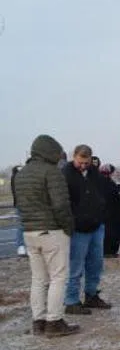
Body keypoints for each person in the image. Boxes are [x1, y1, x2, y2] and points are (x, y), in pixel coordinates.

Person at [15, 135, 80, 337]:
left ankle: (39, 321)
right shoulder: (52, 172)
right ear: (50, 152)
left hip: (29, 232)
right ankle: (54, 321)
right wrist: (69, 227)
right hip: (52, 231)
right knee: (59, 277)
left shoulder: (21, 174)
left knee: (38, 279)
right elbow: (61, 205)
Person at [62, 145, 112, 315]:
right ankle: (71, 300)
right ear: (73, 157)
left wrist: (101, 210)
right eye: (80, 162)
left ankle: (91, 295)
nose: (83, 166)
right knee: (76, 266)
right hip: (78, 229)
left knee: (95, 264)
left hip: (96, 225)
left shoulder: (94, 172)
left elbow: (100, 193)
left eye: (86, 162)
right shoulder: (66, 174)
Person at [100, 164, 120, 259]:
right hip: (113, 214)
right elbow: (115, 196)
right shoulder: (109, 183)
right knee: (112, 232)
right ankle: (110, 251)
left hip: (106, 213)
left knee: (107, 232)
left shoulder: (100, 182)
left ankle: (107, 251)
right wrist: (119, 188)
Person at [11, 165, 27, 257]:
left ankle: (21, 246)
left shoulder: (15, 177)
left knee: (22, 225)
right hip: (21, 203)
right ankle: (21, 245)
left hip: (19, 203)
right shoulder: (18, 177)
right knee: (22, 225)